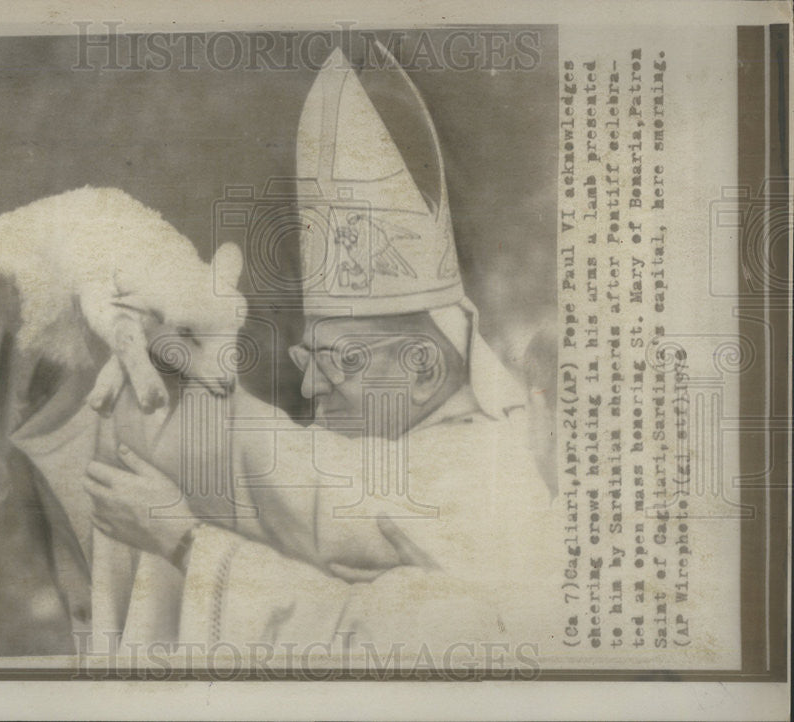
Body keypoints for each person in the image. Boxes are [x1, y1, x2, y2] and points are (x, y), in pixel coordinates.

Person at [82, 45, 563, 666]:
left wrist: (186, 545)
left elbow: (313, 498)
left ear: (420, 368)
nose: (310, 390)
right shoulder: (426, 446)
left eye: (337, 363)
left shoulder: (487, 470)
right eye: (310, 361)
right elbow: (302, 478)